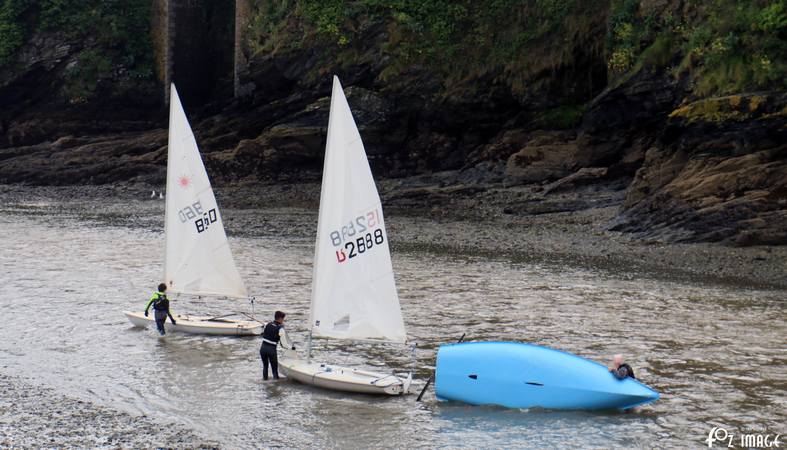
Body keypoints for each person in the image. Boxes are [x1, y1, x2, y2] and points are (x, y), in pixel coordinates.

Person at [259, 311, 295, 380]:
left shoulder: (268, 324)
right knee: (274, 369)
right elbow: (284, 344)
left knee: (265, 366)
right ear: (280, 319)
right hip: (271, 350)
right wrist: (291, 348)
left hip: (263, 348)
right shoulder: (280, 329)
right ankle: (275, 385)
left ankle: (265, 380)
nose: (283, 320)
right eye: (283, 319)